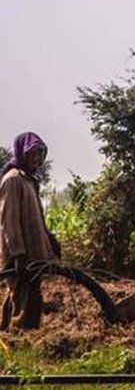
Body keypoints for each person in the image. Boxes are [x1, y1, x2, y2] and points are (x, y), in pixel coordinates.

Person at [1, 132, 58, 330]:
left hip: (33, 256)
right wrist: (18, 255)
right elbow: (9, 221)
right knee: (22, 299)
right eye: (33, 154)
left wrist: (50, 240)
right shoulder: (13, 180)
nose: (37, 158)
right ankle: (19, 341)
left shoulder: (29, 180)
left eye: (40, 154)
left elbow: (36, 219)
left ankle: (12, 338)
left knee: (25, 297)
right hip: (21, 256)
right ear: (22, 154)